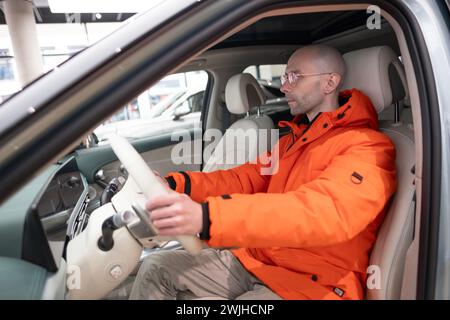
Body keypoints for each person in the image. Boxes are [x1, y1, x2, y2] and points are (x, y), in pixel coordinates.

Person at [128, 44, 397, 300]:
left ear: (329, 83)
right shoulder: (294, 140)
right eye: (284, 76)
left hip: (313, 284)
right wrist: (178, 185)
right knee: (156, 266)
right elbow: (242, 179)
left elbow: (322, 212)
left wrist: (208, 216)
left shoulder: (367, 147)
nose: (283, 85)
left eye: (295, 77)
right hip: (259, 261)